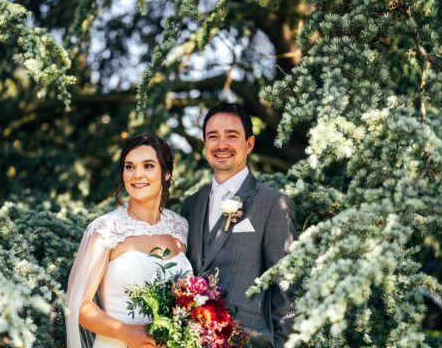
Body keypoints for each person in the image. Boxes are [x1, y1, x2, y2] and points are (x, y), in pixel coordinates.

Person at [181, 103, 296, 348]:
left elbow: (285, 290)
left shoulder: (274, 203)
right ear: (205, 145)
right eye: (213, 137)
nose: (221, 145)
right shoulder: (191, 205)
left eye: (232, 136)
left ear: (249, 144)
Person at [66, 134, 191, 348]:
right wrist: (126, 333)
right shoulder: (106, 228)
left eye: (148, 166)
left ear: (167, 173)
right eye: (129, 166)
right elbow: (79, 305)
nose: (137, 175)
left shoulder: (180, 228)